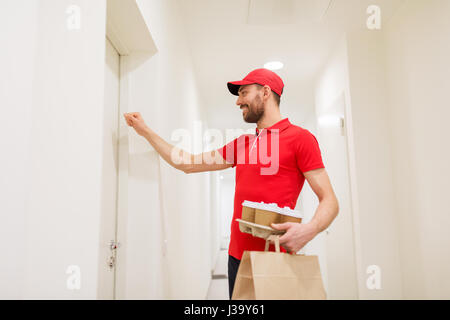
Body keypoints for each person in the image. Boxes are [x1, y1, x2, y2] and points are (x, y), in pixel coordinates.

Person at [124, 68, 339, 299]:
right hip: (237, 258)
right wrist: (145, 131)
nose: (238, 101)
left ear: (265, 92)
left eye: (244, 93)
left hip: (275, 257)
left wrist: (310, 229)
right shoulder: (243, 144)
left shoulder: (300, 138)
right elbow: (187, 163)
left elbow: (330, 200)